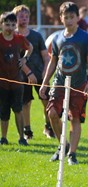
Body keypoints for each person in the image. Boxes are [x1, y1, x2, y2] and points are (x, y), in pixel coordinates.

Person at [39, 2, 88, 165]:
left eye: (72, 17)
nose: (69, 20)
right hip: (59, 83)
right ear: (61, 18)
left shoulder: (86, 38)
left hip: (78, 84)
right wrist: (45, 82)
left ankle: (72, 153)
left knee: (75, 118)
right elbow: (53, 62)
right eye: (66, 17)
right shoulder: (57, 38)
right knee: (52, 114)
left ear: (77, 18)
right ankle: (62, 146)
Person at [12, 5, 54, 140]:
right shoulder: (13, 36)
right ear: (15, 18)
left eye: (26, 16)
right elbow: (17, 60)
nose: (24, 19)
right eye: (21, 16)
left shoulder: (36, 35)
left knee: (46, 101)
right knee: (26, 103)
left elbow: (46, 57)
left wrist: (45, 74)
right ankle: (27, 131)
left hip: (40, 74)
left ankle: (48, 127)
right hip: (21, 76)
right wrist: (28, 73)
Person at [0, 11, 34, 145]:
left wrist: (25, 59)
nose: (10, 27)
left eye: (13, 24)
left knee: (18, 109)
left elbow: (30, 48)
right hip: (2, 83)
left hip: (17, 82)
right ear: (1, 25)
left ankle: (21, 138)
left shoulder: (19, 39)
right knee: (3, 111)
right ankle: (3, 137)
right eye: (7, 24)